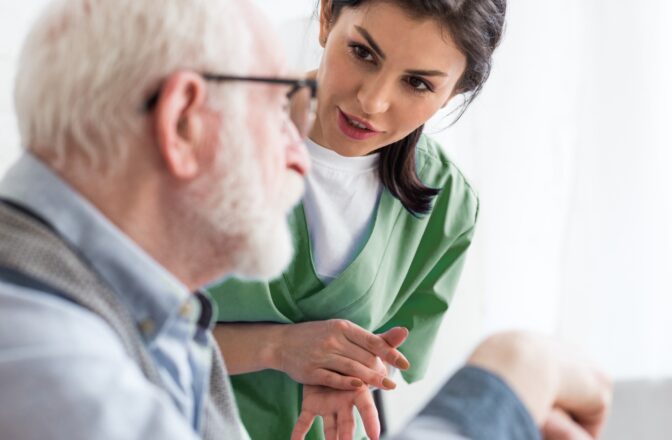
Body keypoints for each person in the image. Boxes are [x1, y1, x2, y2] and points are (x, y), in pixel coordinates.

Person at [0, 1, 611, 440]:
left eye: (418, 82)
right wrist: (514, 373)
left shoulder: (156, 326)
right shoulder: (48, 351)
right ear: (183, 119)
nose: (293, 148)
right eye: (273, 100)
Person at [208, 0, 506, 439]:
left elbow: (387, 355)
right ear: (328, 16)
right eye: (363, 53)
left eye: (418, 83)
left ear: (455, 91)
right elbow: (113, 323)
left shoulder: (448, 205)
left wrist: (350, 371)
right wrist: (275, 348)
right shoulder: (204, 127)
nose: (373, 100)